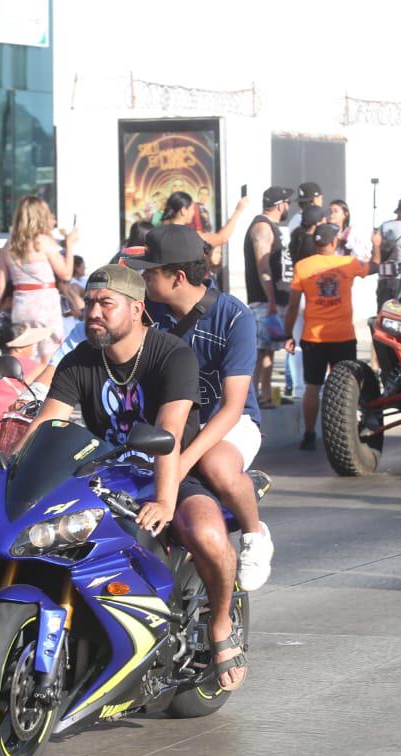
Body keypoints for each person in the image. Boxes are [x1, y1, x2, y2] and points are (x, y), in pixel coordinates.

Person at [26, 263, 248, 691]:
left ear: (136, 310)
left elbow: (168, 433)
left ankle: (221, 625)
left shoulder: (172, 355)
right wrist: (13, 465)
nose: (93, 312)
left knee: (207, 534)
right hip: (106, 472)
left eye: (105, 304)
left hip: (172, 470)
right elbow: (47, 424)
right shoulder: (79, 361)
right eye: (89, 303)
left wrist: (166, 501)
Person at [136, 224, 274, 590]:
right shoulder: (147, 309)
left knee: (216, 467)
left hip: (229, 423)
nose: (144, 279)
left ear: (177, 277)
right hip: (171, 421)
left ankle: (253, 534)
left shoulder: (234, 317)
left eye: (151, 272)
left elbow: (232, 407)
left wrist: (182, 462)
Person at [285, 222, 375, 451]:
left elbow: (293, 305)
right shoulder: (348, 263)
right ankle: (349, 431)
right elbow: (373, 267)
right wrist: (377, 246)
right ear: (334, 242)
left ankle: (309, 434)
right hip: (343, 336)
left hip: (313, 337)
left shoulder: (302, 266)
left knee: (312, 386)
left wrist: (288, 334)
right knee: (348, 386)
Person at [5, 195, 81, 364]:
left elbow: (1, 282)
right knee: (49, 354)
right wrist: (70, 246)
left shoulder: (9, 244)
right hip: (44, 302)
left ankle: (21, 388)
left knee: (24, 353)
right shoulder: (44, 242)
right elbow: (66, 274)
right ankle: (43, 389)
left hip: (20, 302)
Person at [243, 186, 293, 408]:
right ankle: (251, 399)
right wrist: (271, 299)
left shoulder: (269, 226)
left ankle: (265, 395)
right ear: (281, 204)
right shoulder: (262, 227)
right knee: (260, 351)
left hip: (270, 300)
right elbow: (263, 265)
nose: (289, 207)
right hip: (264, 301)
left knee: (269, 351)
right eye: (287, 202)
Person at [0, 322, 49, 431]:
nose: (34, 347)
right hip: (18, 431)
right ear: (18, 348)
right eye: (31, 344)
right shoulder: (32, 366)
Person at [160, 190, 248, 253]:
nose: (193, 212)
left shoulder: (158, 234)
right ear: (183, 210)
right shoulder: (190, 236)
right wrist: (238, 211)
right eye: (192, 209)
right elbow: (222, 238)